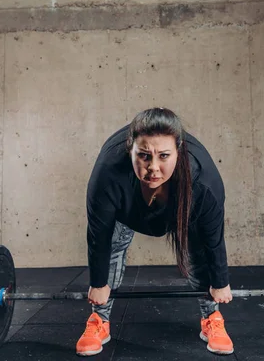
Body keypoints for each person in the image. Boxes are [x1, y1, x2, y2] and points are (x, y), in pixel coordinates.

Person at [76, 107, 233, 356]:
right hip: (128, 212)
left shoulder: (203, 183)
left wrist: (220, 282)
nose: (154, 168)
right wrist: (98, 283)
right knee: (113, 249)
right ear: (130, 149)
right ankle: (99, 321)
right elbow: (99, 235)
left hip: (180, 210)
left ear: (179, 152)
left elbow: (212, 236)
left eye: (164, 156)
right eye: (144, 156)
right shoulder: (107, 174)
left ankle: (212, 317)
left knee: (200, 260)